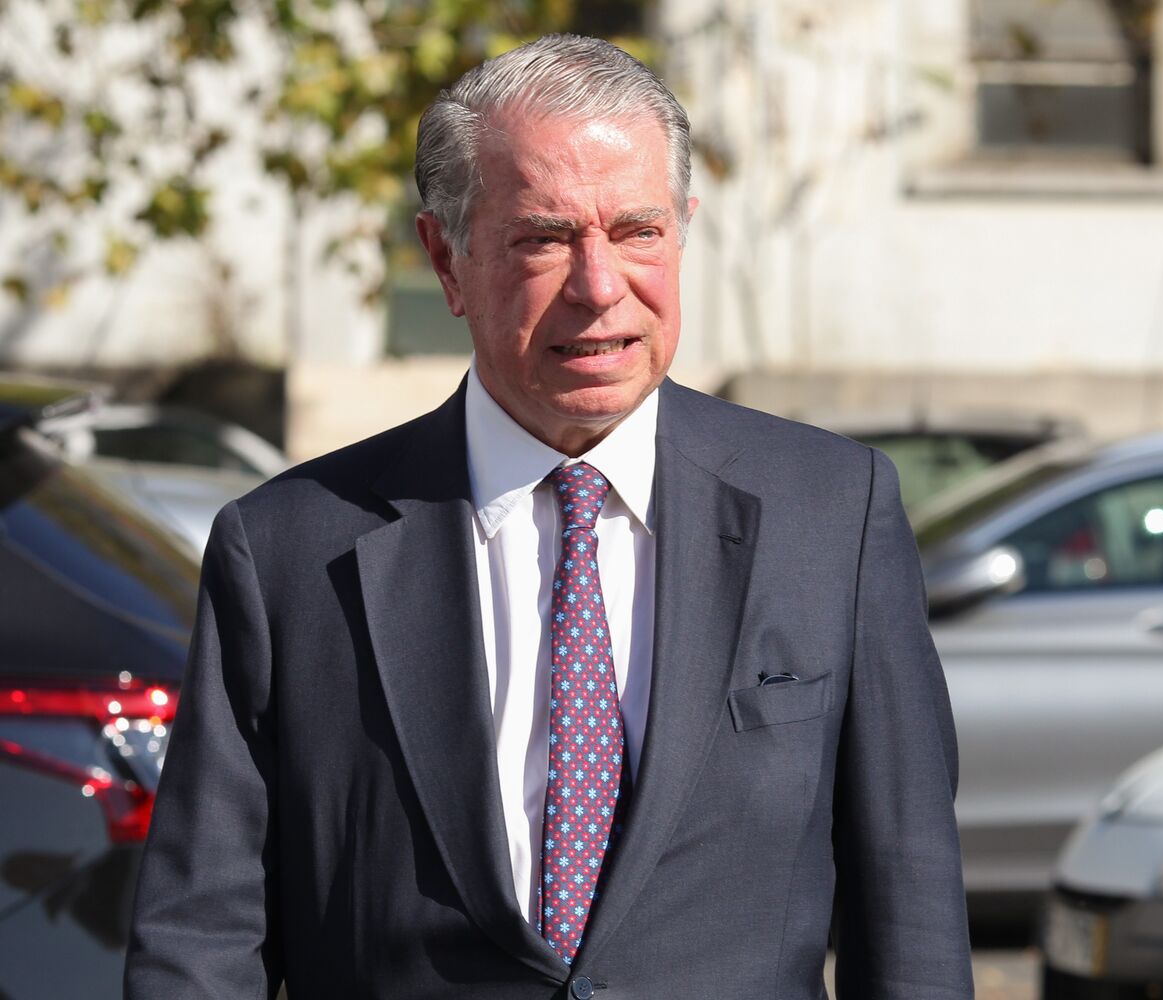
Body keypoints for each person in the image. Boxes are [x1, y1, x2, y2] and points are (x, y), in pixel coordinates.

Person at [125, 33, 972, 999]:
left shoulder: (831, 514)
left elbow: (909, 907)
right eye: (544, 238)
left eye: (638, 231)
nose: (599, 286)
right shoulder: (290, 549)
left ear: (683, 233)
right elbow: (200, 935)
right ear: (445, 260)